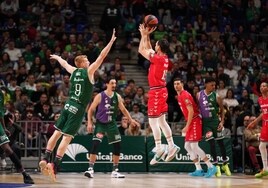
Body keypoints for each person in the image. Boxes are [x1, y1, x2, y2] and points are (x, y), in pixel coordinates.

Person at [38, 29, 117, 182]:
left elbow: (64, 64)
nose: (89, 61)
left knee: (56, 133)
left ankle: (45, 157)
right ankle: (54, 165)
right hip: (78, 108)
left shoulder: (73, 71)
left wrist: (57, 57)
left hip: (68, 105)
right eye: (87, 60)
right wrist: (111, 42)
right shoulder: (88, 72)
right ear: (82, 63)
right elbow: (102, 56)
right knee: (66, 139)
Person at [138, 23, 180, 165]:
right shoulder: (164, 57)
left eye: (156, 45)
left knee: (152, 121)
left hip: (156, 91)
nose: (154, 46)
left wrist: (143, 34)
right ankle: (172, 145)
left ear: (159, 48)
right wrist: (147, 35)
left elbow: (141, 49)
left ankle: (159, 147)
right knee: (161, 121)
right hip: (161, 91)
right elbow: (149, 48)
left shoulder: (158, 58)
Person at [84, 78, 139, 178]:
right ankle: (90, 169)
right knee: (95, 144)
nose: (114, 85)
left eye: (115, 83)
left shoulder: (117, 96)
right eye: (112, 83)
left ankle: (115, 171)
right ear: (107, 84)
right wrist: (89, 123)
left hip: (111, 124)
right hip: (100, 124)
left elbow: (123, 109)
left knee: (117, 146)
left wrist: (131, 120)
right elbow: (91, 109)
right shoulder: (100, 96)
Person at [173, 78, 217, 178]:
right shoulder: (179, 95)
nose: (176, 85)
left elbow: (191, 111)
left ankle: (211, 167)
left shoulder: (184, 95)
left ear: (182, 84)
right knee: (187, 146)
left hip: (195, 120)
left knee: (194, 146)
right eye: (175, 84)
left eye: (178, 83)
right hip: (191, 121)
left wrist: (187, 126)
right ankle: (199, 169)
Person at [196, 77, 231, 177]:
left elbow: (223, 110)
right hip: (206, 123)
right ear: (206, 84)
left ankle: (225, 164)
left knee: (221, 143)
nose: (214, 87)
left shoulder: (217, 96)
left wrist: (222, 122)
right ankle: (216, 166)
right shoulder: (199, 95)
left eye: (214, 85)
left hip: (215, 122)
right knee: (211, 144)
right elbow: (198, 108)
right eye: (212, 85)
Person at [0, 88, 34, 184]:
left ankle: (25, 174)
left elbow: (1, 113)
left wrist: (4, 128)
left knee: (8, 149)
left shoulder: (1, 95)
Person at [248, 82, 268, 178]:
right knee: (261, 146)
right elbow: (263, 113)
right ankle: (265, 169)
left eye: (264, 86)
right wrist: (254, 122)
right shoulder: (260, 100)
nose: (262, 87)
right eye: (260, 86)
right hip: (265, 124)